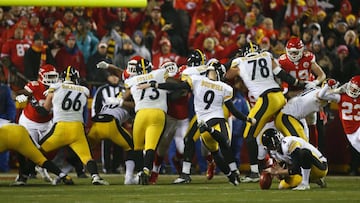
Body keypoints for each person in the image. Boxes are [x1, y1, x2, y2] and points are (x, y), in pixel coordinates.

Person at [138, 61, 256, 186]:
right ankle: (187, 173)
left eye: (211, 70)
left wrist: (246, 119)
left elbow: (232, 109)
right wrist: (156, 84)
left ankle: (232, 172)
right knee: (205, 145)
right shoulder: (202, 81)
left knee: (223, 144)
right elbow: (178, 87)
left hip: (215, 119)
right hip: (203, 120)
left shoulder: (204, 82)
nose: (209, 72)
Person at [225, 41, 307, 182]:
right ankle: (304, 163)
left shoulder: (239, 62)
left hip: (267, 98)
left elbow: (226, 76)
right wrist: (301, 84)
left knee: (249, 134)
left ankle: (254, 172)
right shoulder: (267, 56)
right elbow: (282, 74)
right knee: (289, 132)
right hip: (279, 96)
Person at [38, 66, 109, 185]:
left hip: (61, 127)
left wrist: (36, 104)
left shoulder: (55, 87)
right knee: (86, 157)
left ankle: (23, 177)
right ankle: (96, 176)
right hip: (77, 128)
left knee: (37, 152)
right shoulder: (84, 90)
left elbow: (45, 109)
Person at [88, 69, 143, 185]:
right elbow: (136, 105)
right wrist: (123, 103)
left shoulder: (117, 94)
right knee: (132, 148)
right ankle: (129, 177)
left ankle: (64, 173)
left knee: (83, 150)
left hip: (96, 124)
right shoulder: (130, 93)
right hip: (110, 123)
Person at [121, 58, 168, 185]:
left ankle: (139, 172)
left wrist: (118, 100)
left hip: (141, 114)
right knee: (150, 147)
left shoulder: (132, 80)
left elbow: (125, 92)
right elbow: (172, 74)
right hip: (158, 113)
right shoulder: (159, 73)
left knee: (137, 147)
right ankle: (146, 170)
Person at [278, 37, 326, 148]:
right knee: (289, 124)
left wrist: (315, 82)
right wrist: (284, 90)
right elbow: (278, 79)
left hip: (307, 93)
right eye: (291, 52)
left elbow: (322, 75)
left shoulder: (308, 58)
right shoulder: (282, 61)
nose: (293, 55)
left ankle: (314, 149)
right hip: (291, 95)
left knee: (311, 122)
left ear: (301, 50)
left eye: (296, 52)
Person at [15, 64, 59, 182]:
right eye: (49, 77)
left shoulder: (58, 88)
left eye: (54, 76)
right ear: (41, 76)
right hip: (30, 122)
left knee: (47, 150)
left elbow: (44, 111)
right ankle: (22, 175)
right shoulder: (35, 85)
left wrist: (33, 101)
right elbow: (22, 93)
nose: (52, 80)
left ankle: (41, 168)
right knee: (29, 150)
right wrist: (24, 96)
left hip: (47, 122)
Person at [1, 123, 74, 186]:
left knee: (22, 154)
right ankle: (64, 176)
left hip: (4, 136)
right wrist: (36, 147)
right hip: (20, 131)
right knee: (40, 159)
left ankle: (22, 178)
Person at [262, 128, 328, 190]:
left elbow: (295, 168)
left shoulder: (288, 143)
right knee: (282, 186)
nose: (270, 148)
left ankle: (305, 183)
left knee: (304, 153)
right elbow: (286, 170)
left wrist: (277, 171)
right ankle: (314, 179)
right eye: (269, 146)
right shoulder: (274, 153)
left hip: (320, 167)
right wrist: (278, 174)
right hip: (304, 169)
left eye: (270, 145)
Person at [0, 68, 16, 173]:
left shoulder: (5, 89)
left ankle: (3, 168)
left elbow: (11, 107)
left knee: (3, 147)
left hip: (3, 121)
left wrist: (9, 120)